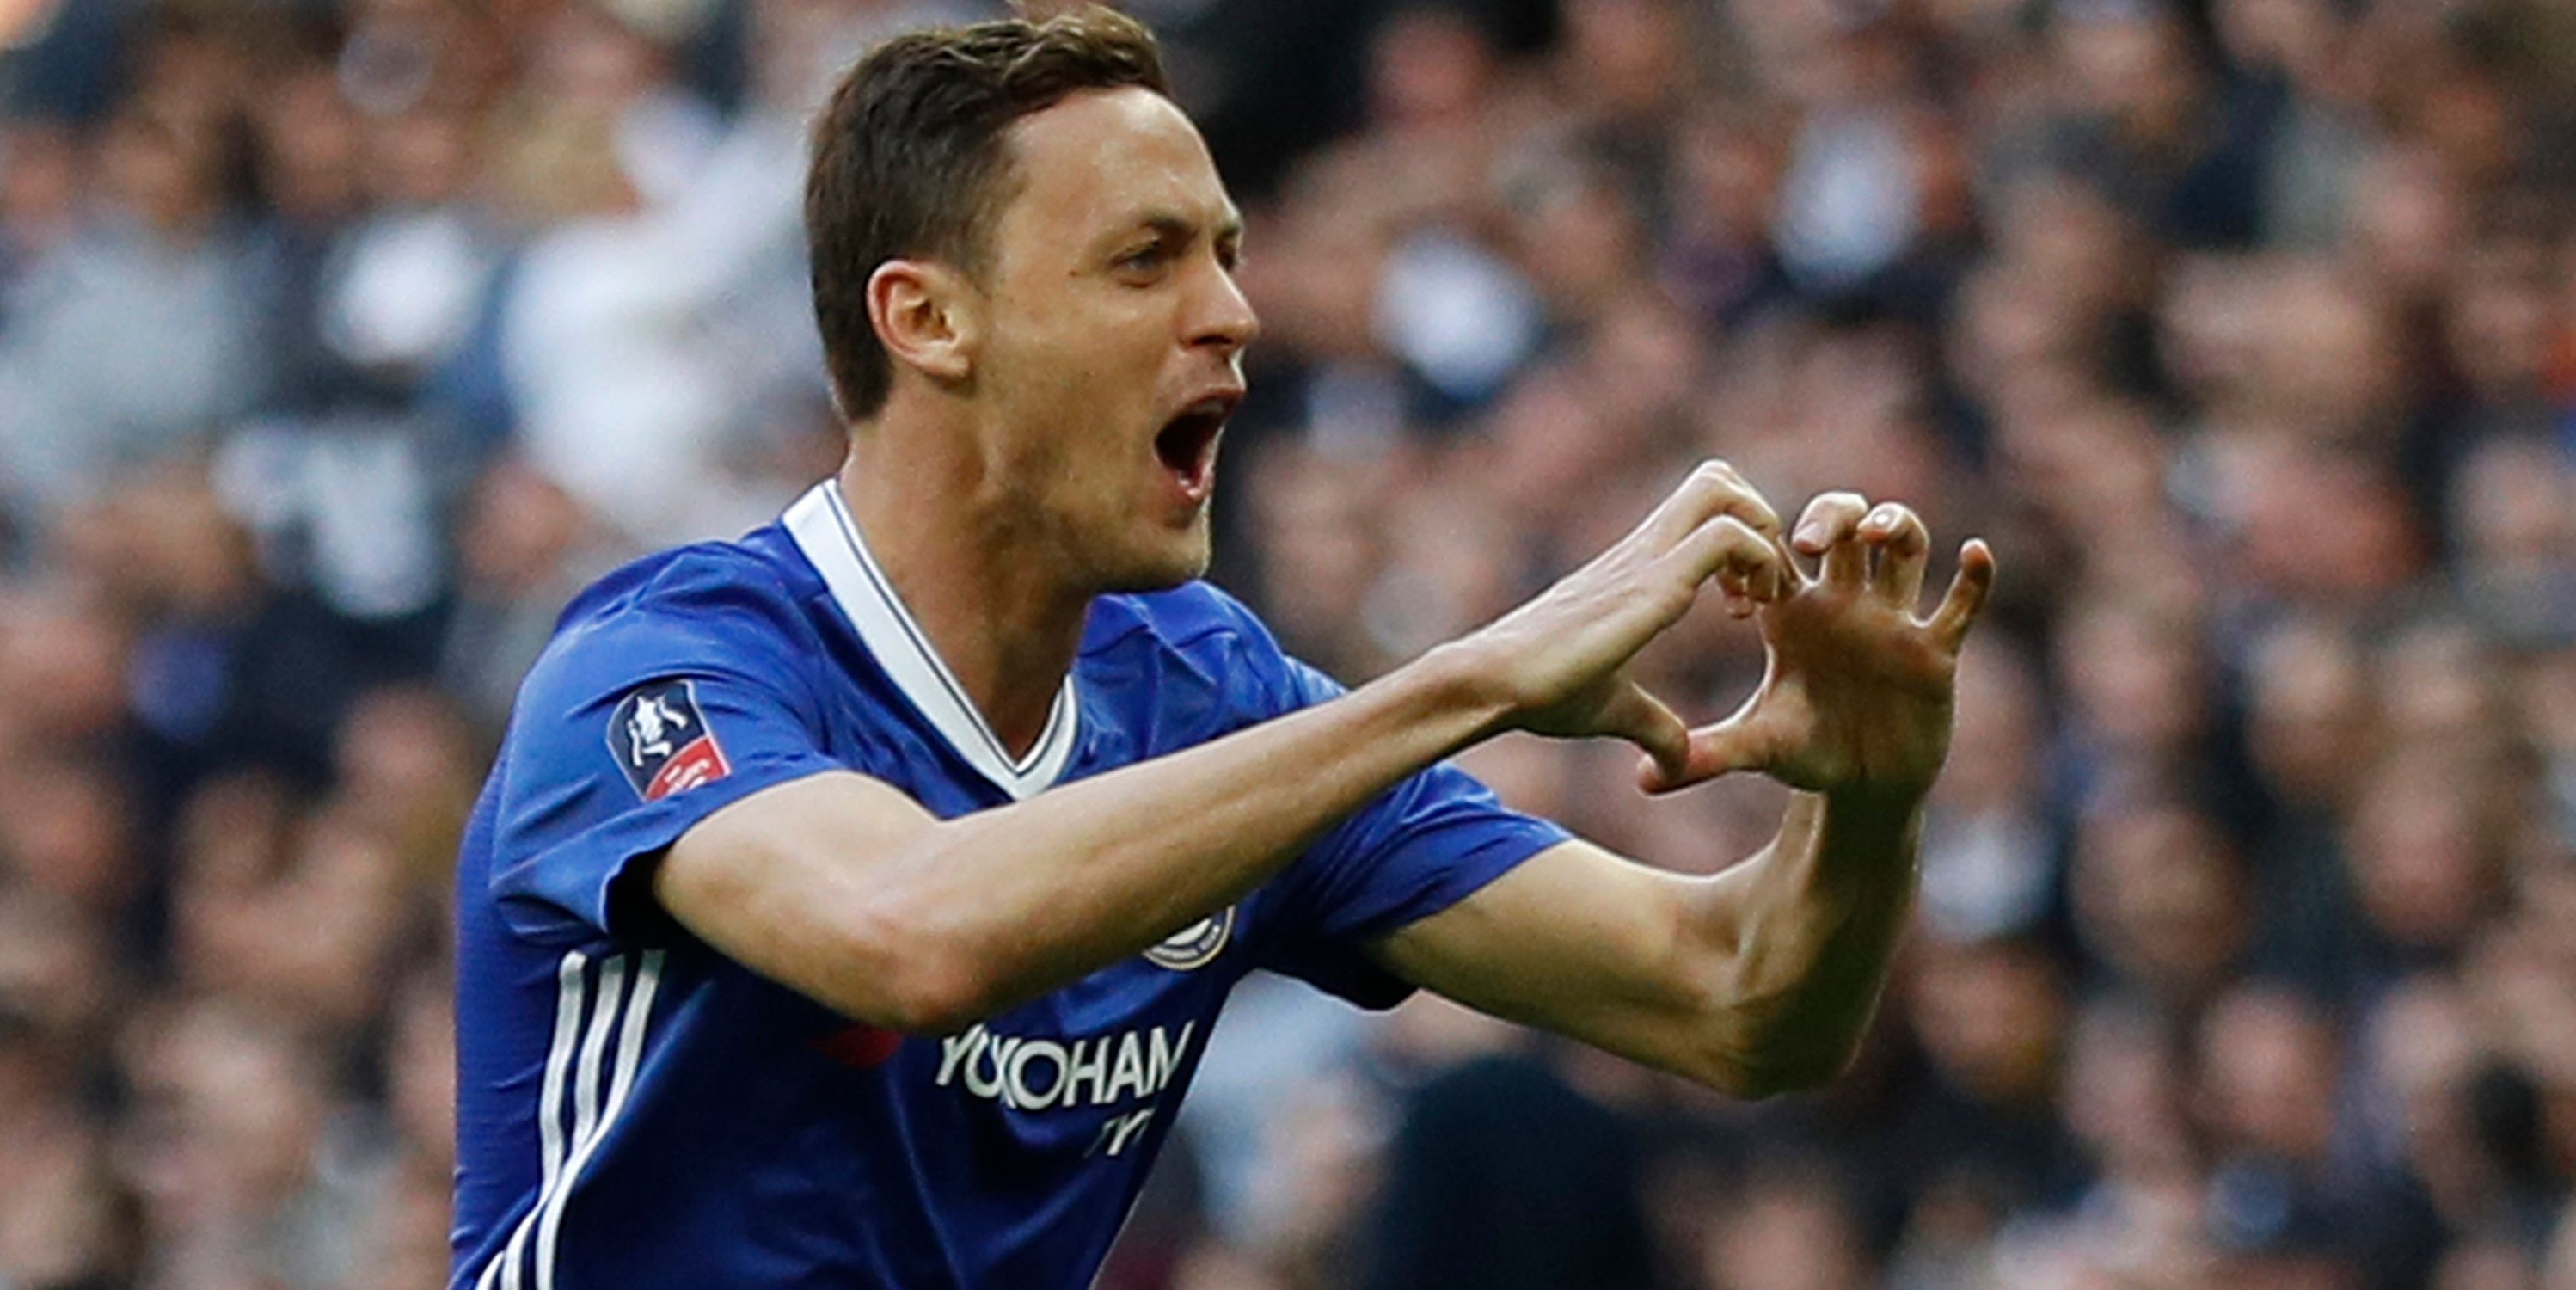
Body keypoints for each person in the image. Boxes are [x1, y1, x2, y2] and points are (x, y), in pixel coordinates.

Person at [447, 9, 1996, 1290]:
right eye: (1145, 262)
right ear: (928, 320)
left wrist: (1862, 804)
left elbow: (1740, 1005)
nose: (1235, 313)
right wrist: (1476, 681)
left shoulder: (1209, 701)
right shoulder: (661, 669)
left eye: (1228, 252)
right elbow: (911, 932)